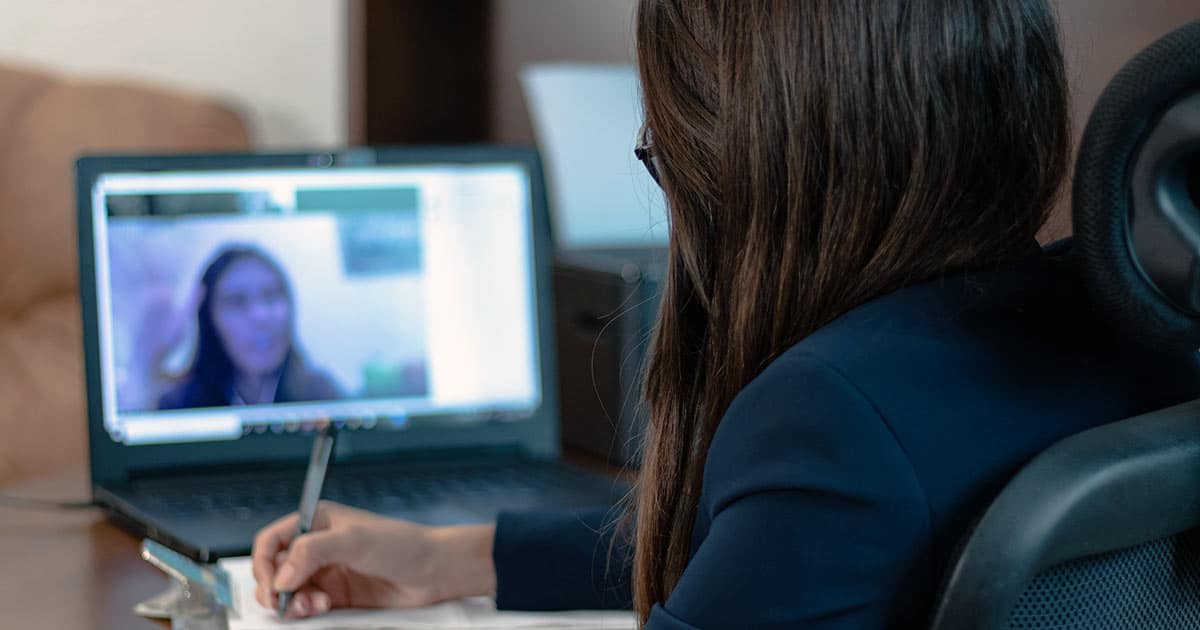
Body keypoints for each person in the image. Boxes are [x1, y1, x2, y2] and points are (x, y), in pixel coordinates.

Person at [251, 1, 1200, 627]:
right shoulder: (1122, 310)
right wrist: (451, 556)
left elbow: (804, 531)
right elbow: (782, 553)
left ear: (746, 162)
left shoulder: (836, 415)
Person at [155, 245, 342, 409]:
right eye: (237, 302)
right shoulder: (180, 403)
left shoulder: (321, 394)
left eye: (270, 296)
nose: (261, 316)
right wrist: (151, 359)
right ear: (210, 320)